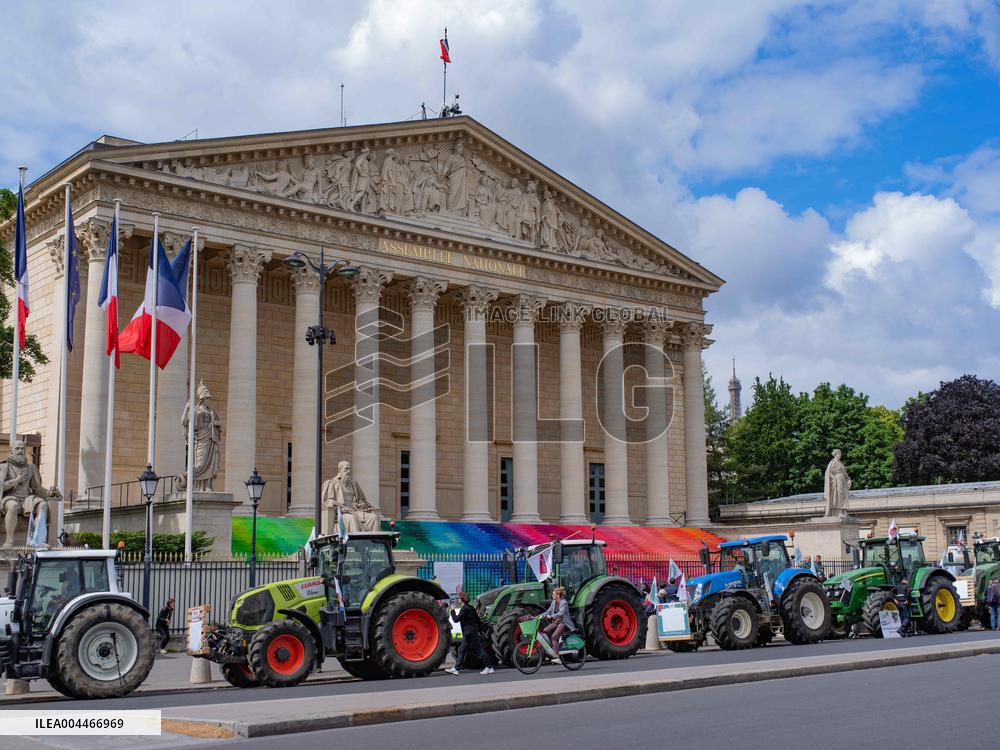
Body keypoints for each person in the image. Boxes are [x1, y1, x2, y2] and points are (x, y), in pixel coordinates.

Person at [445, 592, 494, 675]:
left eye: (459, 598)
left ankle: (489, 667)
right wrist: (481, 629)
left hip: (469, 633)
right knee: (462, 649)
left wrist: (452, 610)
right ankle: (456, 668)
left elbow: (456, 619)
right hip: (472, 632)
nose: (458, 600)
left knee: (478, 650)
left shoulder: (464, 609)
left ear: (461, 599)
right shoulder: (471, 607)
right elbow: (477, 620)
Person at [541, 586, 576, 659]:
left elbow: (561, 613)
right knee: (545, 631)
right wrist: (538, 616)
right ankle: (554, 647)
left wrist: (552, 616)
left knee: (554, 637)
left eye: (553, 594)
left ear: (558, 595)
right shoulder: (554, 602)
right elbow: (548, 611)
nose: (552, 595)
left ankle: (557, 656)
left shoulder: (564, 603)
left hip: (563, 623)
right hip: (556, 622)